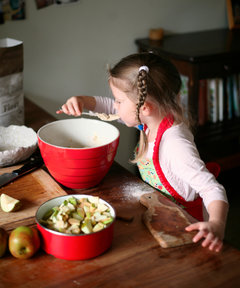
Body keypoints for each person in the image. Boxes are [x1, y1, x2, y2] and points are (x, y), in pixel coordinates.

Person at [57, 52, 228, 253]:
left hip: (188, 227)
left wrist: (216, 224)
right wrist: (82, 101)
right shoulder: (150, 119)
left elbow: (212, 189)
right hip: (163, 213)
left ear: (144, 107)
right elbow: (106, 106)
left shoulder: (175, 145)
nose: (115, 106)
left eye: (119, 101)